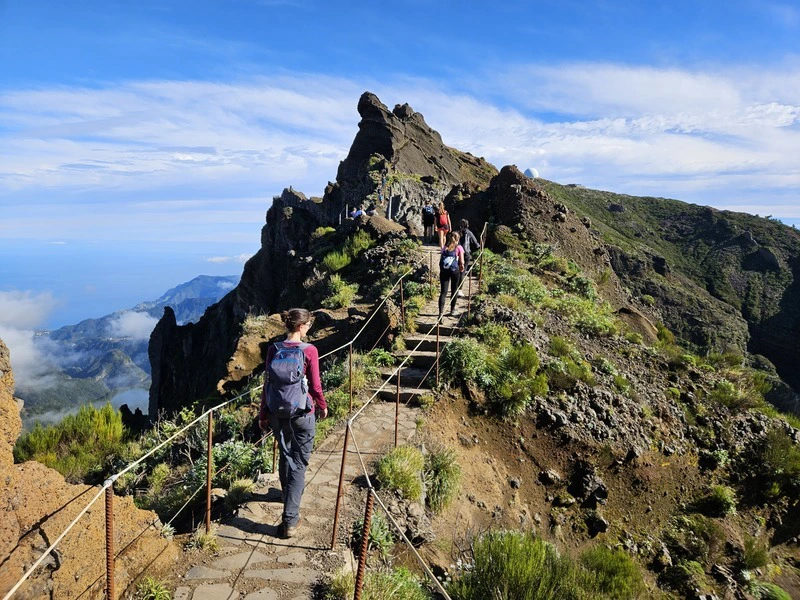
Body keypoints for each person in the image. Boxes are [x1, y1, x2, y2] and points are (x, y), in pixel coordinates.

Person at [259, 308, 327, 539]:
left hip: (277, 413)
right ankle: (290, 520)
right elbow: (316, 386)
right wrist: (322, 405)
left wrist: (263, 414)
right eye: (308, 325)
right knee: (298, 463)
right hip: (302, 413)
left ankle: (286, 494)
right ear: (300, 327)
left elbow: (266, 385)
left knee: (285, 454)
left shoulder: (274, 349)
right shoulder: (309, 350)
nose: (309, 329)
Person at [439, 231, 464, 317]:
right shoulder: (459, 248)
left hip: (444, 271)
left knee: (443, 292)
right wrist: (462, 267)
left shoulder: (444, 248)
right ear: (458, 239)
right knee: (454, 290)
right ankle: (452, 310)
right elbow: (462, 262)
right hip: (454, 271)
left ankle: (440, 313)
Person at [456, 219, 480, 298]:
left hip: (458, 253)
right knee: (463, 271)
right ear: (468, 225)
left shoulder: (457, 233)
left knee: (457, 271)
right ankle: (459, 290)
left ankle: (455, 288)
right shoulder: (469, 233)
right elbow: (476, 244)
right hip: (466, 254)